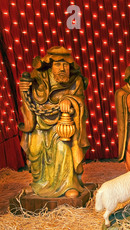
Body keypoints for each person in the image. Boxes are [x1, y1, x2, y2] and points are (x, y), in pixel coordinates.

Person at [18, 46, 90, 198]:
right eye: (58, 64)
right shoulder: (38, 79)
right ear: (50, 65)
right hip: (39, 124)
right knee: (35, 148)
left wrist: (70, 101)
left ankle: (68, 185)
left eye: (65, 64)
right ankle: (38, 184)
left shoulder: (75, 81)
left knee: (63, 148)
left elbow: (81, 104)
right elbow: (30, 102)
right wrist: (24, 90)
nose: (62, 68)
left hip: (61, 126)